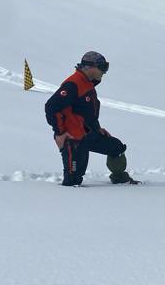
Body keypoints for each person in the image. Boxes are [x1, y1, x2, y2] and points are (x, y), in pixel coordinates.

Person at [44, 51, 138, 186]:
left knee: (116, 147)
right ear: (89, 67)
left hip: (87, 135)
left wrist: (97, 129)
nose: (104, 71)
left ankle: (120, 180)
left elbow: (85, 112)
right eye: (102, 67)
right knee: (73, 181)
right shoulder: (73, 84)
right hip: (73, 139)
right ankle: (67, 201)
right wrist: (60, 133)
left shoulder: (87, 84)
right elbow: (52, 106)